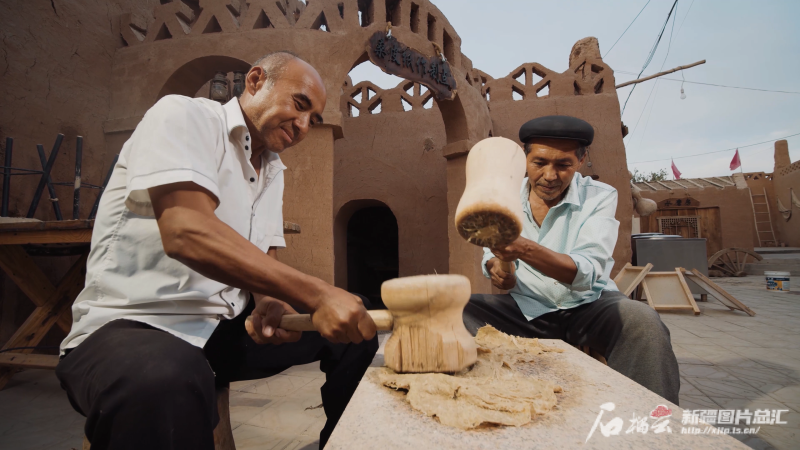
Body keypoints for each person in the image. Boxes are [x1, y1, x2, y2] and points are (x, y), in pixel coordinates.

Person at [56, 51, 378, 450]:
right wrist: (316, 293)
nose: (303, 125)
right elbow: (186, 232)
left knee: (355, 326)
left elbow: (264, 257)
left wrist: (271, 302)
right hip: (133, 327)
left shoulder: (272, 170)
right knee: (166, 377)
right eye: (299, 105)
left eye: (313, 119)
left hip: (219, 333)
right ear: (256, 80)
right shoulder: (183, 116)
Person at [462, 115, 680, 404]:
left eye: (563, 165)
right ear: (524, 157)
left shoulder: (599, 197)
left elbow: (587, 272)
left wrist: (524, 249)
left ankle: (653, 425)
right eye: (539, 163)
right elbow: (492, 257)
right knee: (456, 309)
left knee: (642, 323)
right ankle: (478, 402)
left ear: (581, 160)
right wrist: (499, 270)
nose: (550, 176)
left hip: (589, 307)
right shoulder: (505, 195)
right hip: (527, 308)